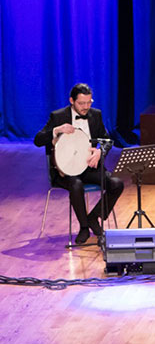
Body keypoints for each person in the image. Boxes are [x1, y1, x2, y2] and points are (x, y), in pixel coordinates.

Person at [34, 83, 125, 245]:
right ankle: (84, 227)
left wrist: (100, 152)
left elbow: (107, 140)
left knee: (116, 184)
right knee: (76, 185)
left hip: (88, 166)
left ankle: (93, 217)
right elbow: (38, 140)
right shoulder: (58, 116)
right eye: (81, 103)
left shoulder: (95, 115)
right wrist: (56, 130)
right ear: (72, 101)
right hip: (64, 171)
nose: (86, 107)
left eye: (89, 102)